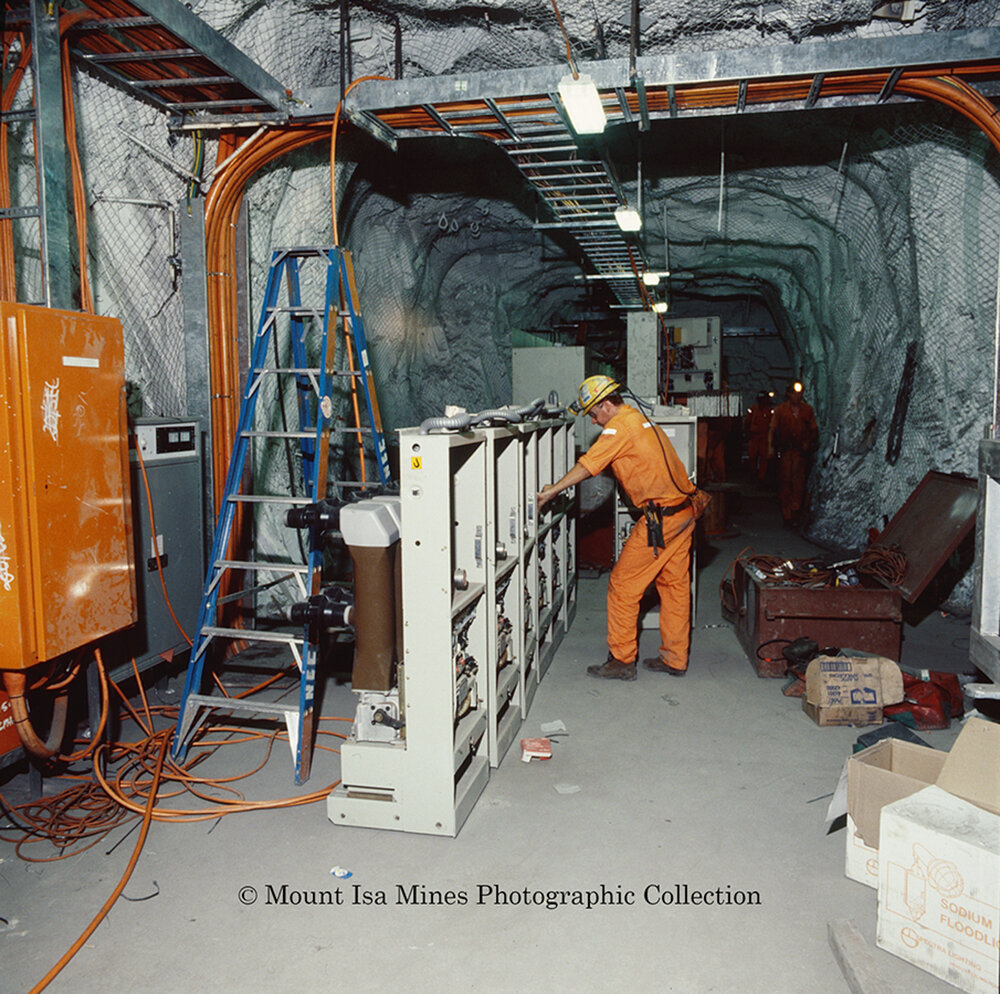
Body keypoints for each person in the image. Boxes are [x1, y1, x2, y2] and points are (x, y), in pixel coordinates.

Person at [537, 375, 695, 680]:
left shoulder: (619, 426)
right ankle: (675, 658)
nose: (594, 421)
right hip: (683, 513)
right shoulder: (638, 419)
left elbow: (588, 465)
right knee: (674, 587)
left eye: (594, 414)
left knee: (622, 585)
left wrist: (553, 491)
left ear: (607, 405)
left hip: (660, 520)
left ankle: (622, 661)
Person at [768, 381, 818, 527]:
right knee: (785, 482)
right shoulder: (780, 410)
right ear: (789, 394)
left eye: (800, 393)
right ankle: (786, 514)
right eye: (794, 393)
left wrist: (808, 441)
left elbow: (814, 429)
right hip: (785, 451)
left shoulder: (807, 410)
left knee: (798, 482)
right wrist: (770, 448)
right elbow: (772, 429)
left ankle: (795, 510)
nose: (797, 396)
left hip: (800, 453)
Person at [744, 391, 773, 482]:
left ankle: (761, 478)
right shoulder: (752, 409)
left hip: (765, 438)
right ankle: (753, 475)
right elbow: (747, 422)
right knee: (752, 457)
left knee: (764, 458)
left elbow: (773, 425)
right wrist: (747, 433)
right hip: (754, 437)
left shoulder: (770, 411)